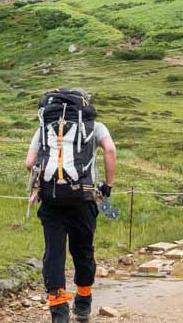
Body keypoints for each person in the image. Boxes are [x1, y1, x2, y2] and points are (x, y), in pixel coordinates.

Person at [26, 88, 117, 323]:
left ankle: (59, 312)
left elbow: (29, 163)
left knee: (54, 254)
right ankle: (83, 305)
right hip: (84, 200)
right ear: (85, 105)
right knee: (83, 252)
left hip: (51, 200)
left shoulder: (45, 126)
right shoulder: (95, 126)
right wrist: (108, 184)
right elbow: (110, 150)